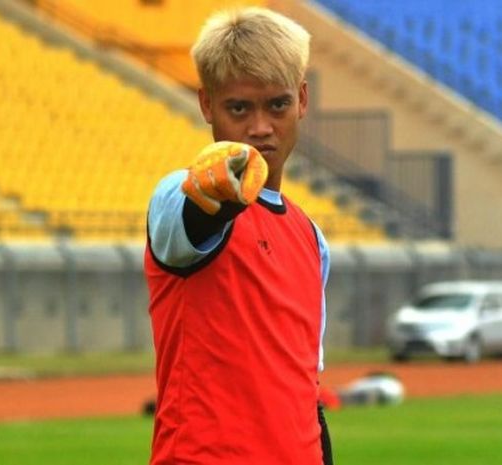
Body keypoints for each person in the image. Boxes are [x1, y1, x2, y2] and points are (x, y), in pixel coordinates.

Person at [144, 7, 332, 465]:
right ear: (207, 104)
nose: (260, 127)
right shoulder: (177, 194)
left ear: (302, 100)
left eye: (278, 105)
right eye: (239, 108)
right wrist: (220, 190)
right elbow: (195, 213)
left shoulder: (311, 237)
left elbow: (305, 390)